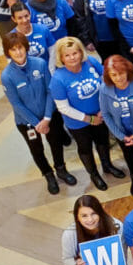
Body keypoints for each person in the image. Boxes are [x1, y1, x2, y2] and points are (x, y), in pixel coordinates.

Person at [1, 32, 75, 194]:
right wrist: (36, 123)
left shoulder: (40, 64)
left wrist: (47, 118)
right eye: (13, 50)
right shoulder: (7, 76)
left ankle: (61, 169)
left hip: (49, 115)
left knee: (56, 143)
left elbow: (50, 91)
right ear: (8, 52)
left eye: (20, 47)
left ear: (25, 47)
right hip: (26, 121)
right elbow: (16, 103)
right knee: (36, 149)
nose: (18, 52)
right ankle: (48, 174)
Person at [50, 37, 125, 190]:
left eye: (75, 53)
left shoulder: (91, 62)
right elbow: (63, 108)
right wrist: (89, 119)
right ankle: (94, 174)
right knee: (85, 148)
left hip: (100, 114)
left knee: (103, 141)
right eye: (67, 55)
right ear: (61, 58)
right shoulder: (58, 79)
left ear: (80, 52)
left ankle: (107, 165)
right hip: (78, 122)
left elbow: (106, 79)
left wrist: (103, 108)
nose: (72, 58)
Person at [98, 54, 133, 194]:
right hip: (122, 133)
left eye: (121, 73)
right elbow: (106, 114)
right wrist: (121, 135)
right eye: (114, 75)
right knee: (129, 155)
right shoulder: (104, 89)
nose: (118, 78)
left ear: (127, 71)